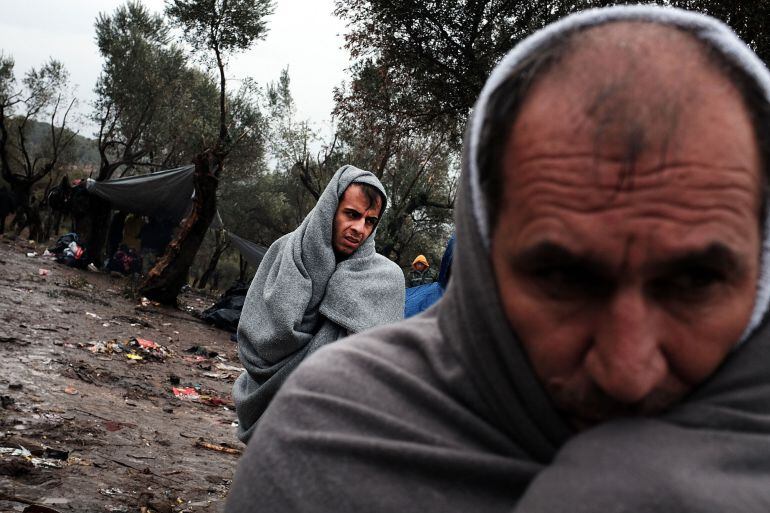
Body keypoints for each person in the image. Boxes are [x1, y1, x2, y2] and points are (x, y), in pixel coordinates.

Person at [226, 6, 770, 512]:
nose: (626, 371)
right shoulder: (330, 449)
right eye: (560, 278)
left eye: (696, 281)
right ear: (483, 269)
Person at [232, 164, 405, 442]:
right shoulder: (286, 253)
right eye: (352, 214)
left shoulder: (385, 279)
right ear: (330, 209)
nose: (359, 228)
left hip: (333, 422)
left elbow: (377, 371)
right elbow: (259, 337)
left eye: (370, 221)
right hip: (265, 399)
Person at [404, 234, 454, 317]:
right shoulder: (410, 275)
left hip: (428, 299)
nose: (419, 266)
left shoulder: (432, 273)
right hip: (414, 301)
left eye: (421, 264)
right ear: (415, 264)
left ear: (424, 265)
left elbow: (437, 286)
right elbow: (407, 288)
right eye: (418, 264)